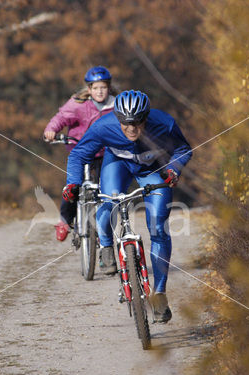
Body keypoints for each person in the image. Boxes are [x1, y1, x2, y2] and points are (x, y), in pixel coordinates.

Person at [62, 90, 192, 323]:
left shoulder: (165, 124)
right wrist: (73, 183)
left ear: (147, 117)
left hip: (152, 170)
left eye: (138, 123)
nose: (132, 129)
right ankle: (107, 247)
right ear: (117, 118)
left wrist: (174, 169)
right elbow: (79, 154)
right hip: (118, 166)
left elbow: (183, 149)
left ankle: (159, 294)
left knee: (159, 229)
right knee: (108, 201)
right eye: (126, 124)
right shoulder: (103, 126)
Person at [43, 66, 117, 242]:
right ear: (89, 89)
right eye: (96, 87)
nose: (100, 91)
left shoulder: (115, 105)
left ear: (109, 88)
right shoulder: (79, 104)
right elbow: (61, 118)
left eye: (103, 87)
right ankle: (65, 221)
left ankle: (103, 231)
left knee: (106, 191)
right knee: (73, 188)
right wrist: (51, 130)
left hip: (106, 153)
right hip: (81, 153)